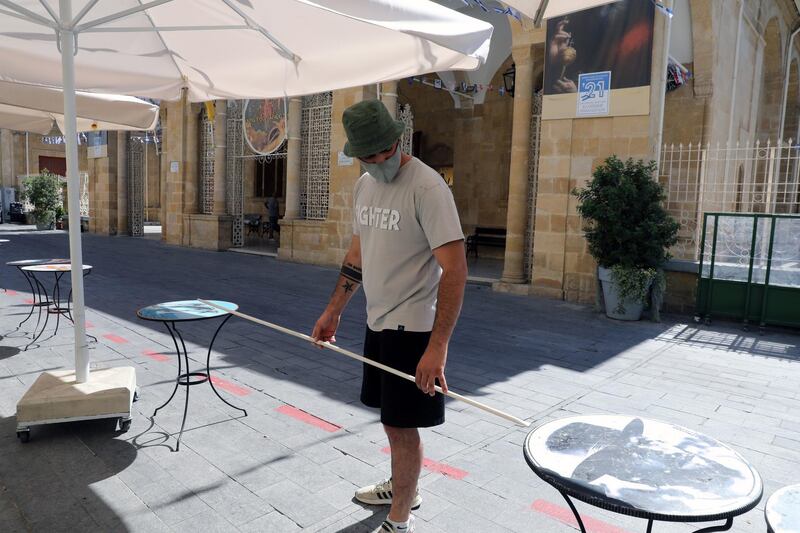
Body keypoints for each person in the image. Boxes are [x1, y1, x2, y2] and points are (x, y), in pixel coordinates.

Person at [311, 99, 467, 533]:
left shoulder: (428, 188)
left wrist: (437, 348)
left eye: (385, 151)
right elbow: (357, 256)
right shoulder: (364, 187)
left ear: (398, 140)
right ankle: (404, 486)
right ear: (356, 154)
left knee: (402, 426)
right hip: (376, 322)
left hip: (413, 327)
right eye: (369, 156)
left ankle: (400, 518)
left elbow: (455, 270)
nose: (380, 162)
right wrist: (333, 312)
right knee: (389, 419)